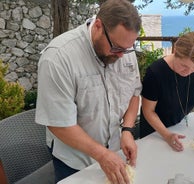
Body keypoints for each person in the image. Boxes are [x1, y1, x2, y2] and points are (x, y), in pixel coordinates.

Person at [35, 0, 142, 183]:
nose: (121, 56)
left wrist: (127, 130)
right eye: (116, 48)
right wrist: (101, 154)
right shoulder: (57, 57)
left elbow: (134, 92)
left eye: (127, 49)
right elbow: (58, 122)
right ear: (98, 26)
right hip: (74, 160)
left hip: (115, 151)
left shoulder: (124, 50)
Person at [139, 32, 194, 155]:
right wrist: (167, 135)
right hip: (153, 132)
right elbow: (148, 111)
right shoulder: (156, 72)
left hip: (179, 125)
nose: (188, 72)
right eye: (183, 66)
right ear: (175, 51)